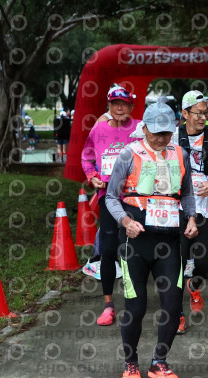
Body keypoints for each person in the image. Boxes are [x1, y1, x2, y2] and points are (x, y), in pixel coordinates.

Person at [106, 102, 198, 378]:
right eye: (157, 132)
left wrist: (191, 218)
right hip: (135, 241)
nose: (161, 138)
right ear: (144, 128)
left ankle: (159, 362)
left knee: (172, 304)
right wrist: (126, 222)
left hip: (169, 242)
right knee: (136, 307)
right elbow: (111, 197)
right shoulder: (128, 154)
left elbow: (187, 193)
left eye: (167, 133)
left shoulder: (180, 154)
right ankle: (131, 363)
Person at [81, 85, 141, 327]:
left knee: (134, 249)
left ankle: (135, 300)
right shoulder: (99, 128)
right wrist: (92, 176)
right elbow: (87, 156)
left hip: (135, 198)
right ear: (108, 105)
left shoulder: (140, 129)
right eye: (115, 103)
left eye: (124, 104)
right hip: (108, 197)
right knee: (107, 249)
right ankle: (108, 305)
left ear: (131, 106)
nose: (119, 108)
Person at [172, 91, 208, 334]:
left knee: (203, 265)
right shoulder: (173, 136)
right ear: (185, 114)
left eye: (206, 113)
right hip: (179, 205)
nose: (203, 117)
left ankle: (194, 287)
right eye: (198, 113)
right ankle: (177, 314)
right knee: (177, 262)